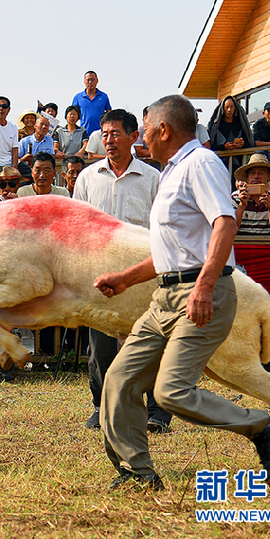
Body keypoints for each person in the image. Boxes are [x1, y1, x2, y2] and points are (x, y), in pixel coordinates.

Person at [94, 94, 270, 490]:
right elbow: (169, 251)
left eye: (145, 128)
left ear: (163, 129)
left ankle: (266, 427)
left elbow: (224, 223)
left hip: (202, 294)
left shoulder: (201, 163)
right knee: (119, 381)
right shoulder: (169, 172)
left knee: (171, 392)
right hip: (163, 299)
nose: (141, 136)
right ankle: (138, 473)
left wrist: (203, 283)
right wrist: (126, 279)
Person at [72, 108, 166, 431]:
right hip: (99, 272)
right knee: (100, 346)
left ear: (133, 137)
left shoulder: (152, 179)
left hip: (141, 273)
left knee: (149, 340)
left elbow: (162, 228)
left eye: (115, 134)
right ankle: (102, 406)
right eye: (105, 135)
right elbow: (77, 227)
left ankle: (157, 411)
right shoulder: (87, 178)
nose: (109, 141)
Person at [231, 154, 270, 236]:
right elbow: (231, 229)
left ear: (268, 176)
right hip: (242, 246)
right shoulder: (236, 198)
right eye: (252, 173)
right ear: (247, 177)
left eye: (261, 172)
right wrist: (242, 205)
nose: (256, 176)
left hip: (267, 246)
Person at [207, 95, 254, 172]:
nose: (229, 109)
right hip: (219, 165)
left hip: (238, 165)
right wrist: (224, 147)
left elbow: (249, 143)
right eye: (227, 107)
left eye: (232, 106)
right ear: (223, 109)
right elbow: (211, 146)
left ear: (235, 108)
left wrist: (241, 144)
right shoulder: (216, 126)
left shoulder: (240, 125)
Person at [71, 71, 111, 135]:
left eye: (92, 80)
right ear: (84, 81)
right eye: (88, 80)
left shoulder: (104, 96)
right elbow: (72, 115)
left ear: (97, 80)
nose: (90, 82)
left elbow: (109, 113)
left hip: (100, 133)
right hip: (83, 133)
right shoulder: (78, 97)